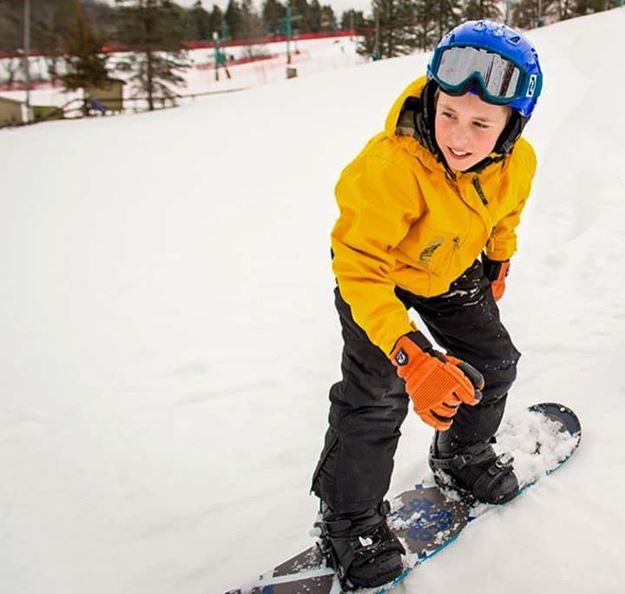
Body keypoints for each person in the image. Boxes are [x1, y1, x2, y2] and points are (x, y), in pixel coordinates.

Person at [311, 20, 543, 590]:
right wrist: (411, 354)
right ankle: (348, 520)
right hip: (379, 282)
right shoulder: (391, 168)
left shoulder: (519, 161)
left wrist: (498, 261)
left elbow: (504, 211)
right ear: (433, 98)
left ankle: (461, 455)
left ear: (512, 126)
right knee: (376, 400)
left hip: (450, 269)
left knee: (494, 363)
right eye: (449, 116)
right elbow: (359, 266)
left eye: (481, 125)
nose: (460, 138)